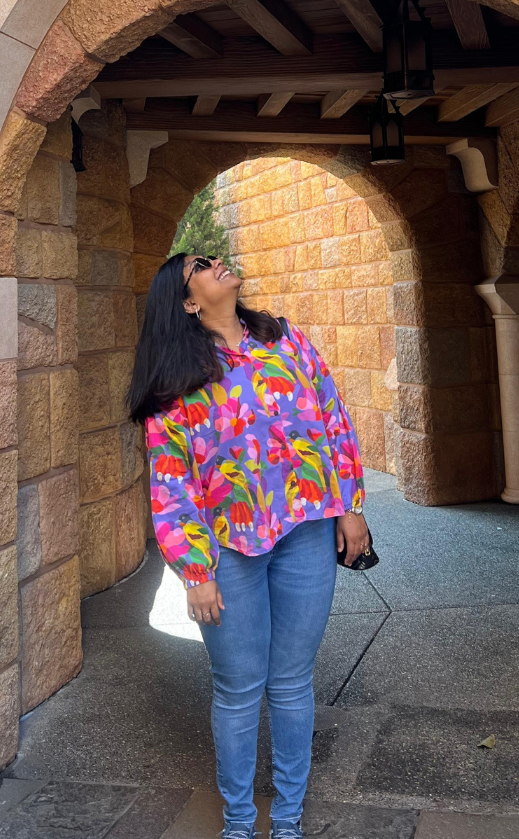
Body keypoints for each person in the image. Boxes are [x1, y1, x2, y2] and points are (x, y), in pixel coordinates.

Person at [126, 253, 373, 839]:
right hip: (228, 551)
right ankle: (239, 823)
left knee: (291, 681)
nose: (218, 265)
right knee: (238, 690)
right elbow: (170, 481)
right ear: (188, 303)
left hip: (306, 533)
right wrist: (194, 570)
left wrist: (351, 507)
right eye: (201, 268)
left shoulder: (286, 341)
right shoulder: (177, 381)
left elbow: (333, 419)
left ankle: (287, 820)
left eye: (215, 259)